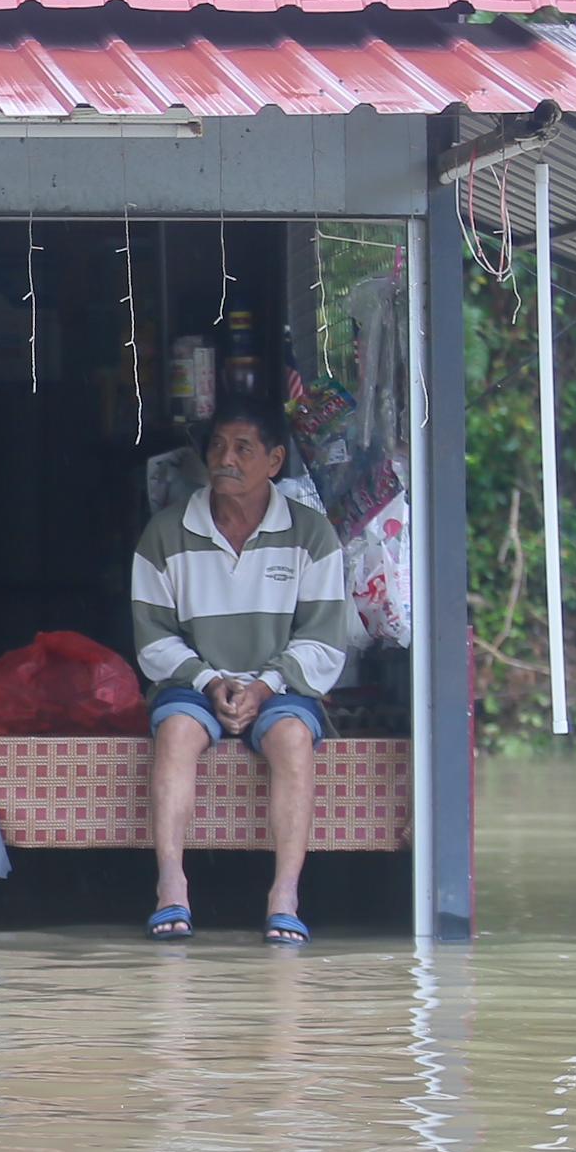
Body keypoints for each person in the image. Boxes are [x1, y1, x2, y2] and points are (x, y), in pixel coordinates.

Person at [128, 394, 348, 945]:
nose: (226, 458)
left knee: (294, 736)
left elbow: (324, 641)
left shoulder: (313, 535)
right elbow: (153, 638)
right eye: (219, 446)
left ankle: (284, 896)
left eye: (243, 448)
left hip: (281, 687)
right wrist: (210, 680)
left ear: (274, 461)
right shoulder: (164, 533)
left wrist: (267, 684)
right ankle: (171, 886)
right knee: (176, 731)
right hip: (196, 683)